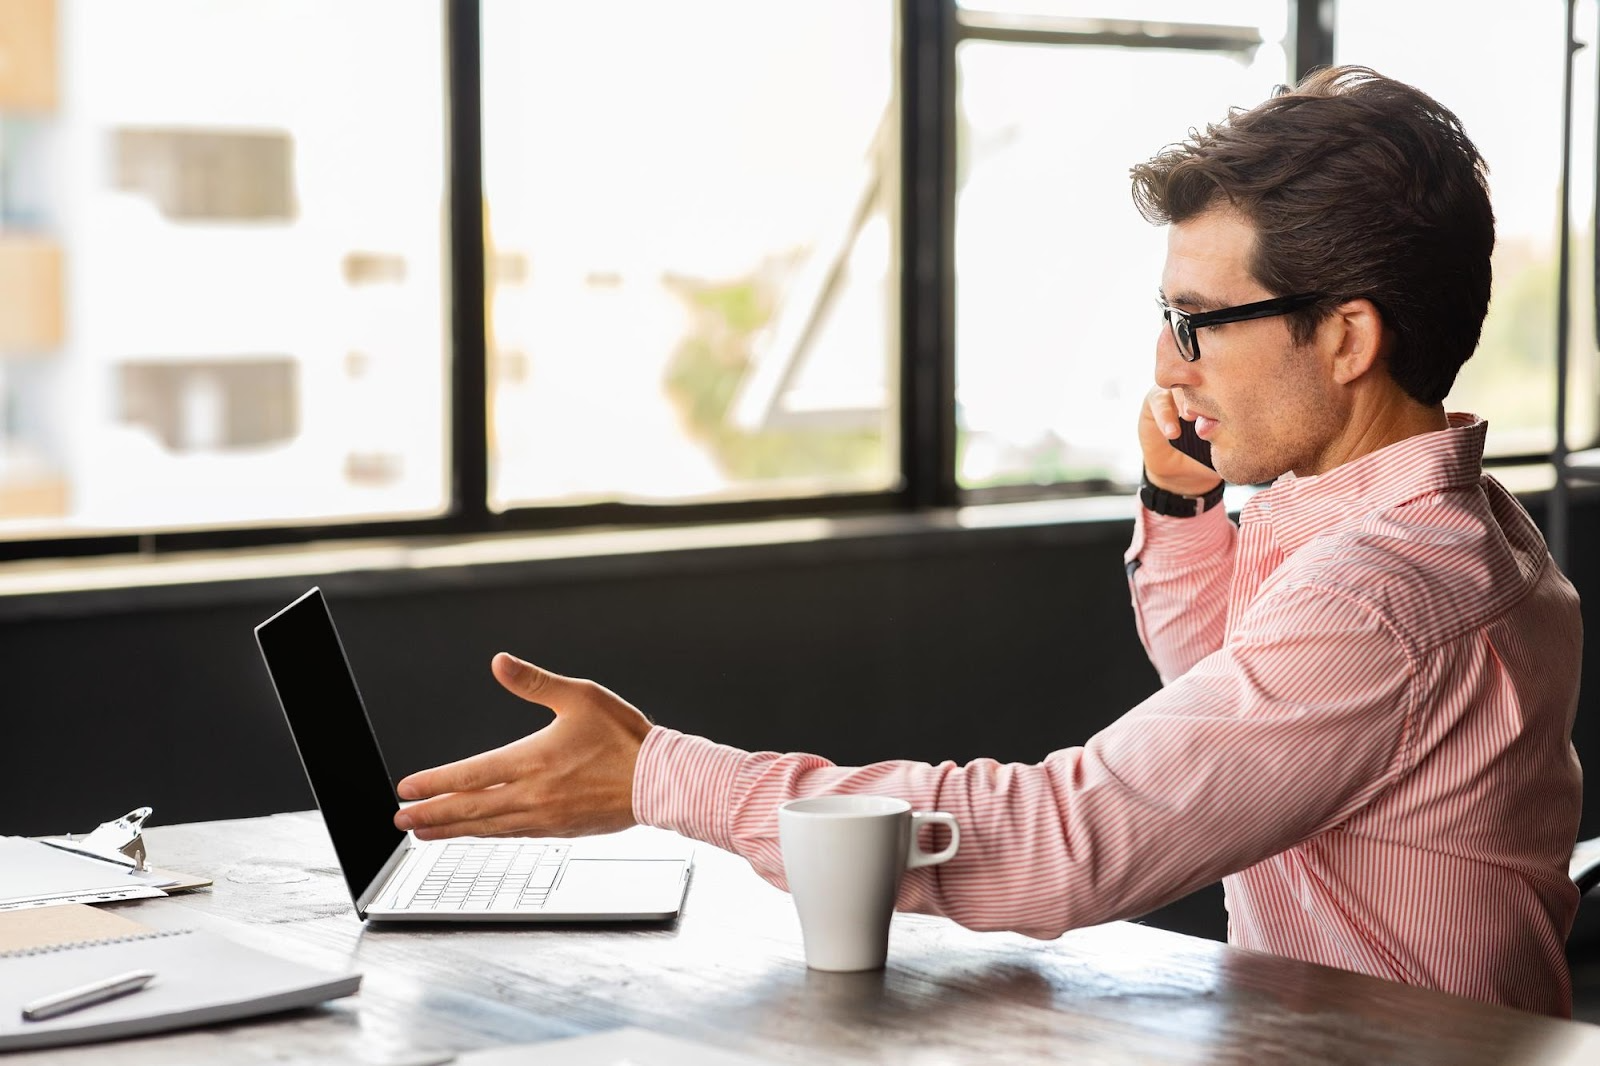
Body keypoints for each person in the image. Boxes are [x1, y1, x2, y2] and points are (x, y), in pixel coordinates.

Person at [392, 67, 1584, 1016]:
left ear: (1345, 337)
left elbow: (1061, 842)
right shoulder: (1451, 530)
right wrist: (1180, 511)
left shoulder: (1382, 594)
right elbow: (1228, 693)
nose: (1170, 365)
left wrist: (659, 775)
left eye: (1197, 324)